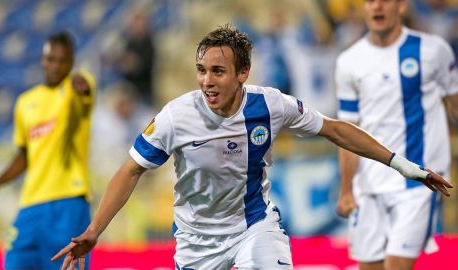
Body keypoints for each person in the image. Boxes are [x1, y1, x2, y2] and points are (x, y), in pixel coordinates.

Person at [52, 24, 451, 270]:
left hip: (253, 227)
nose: (207, 81)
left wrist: (402, 165)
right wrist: (94, 231)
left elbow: (335, 130)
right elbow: (131, 170)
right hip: (195, 242)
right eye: (202, 70)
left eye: (218, 71)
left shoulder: (270, 105)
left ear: (243, 73)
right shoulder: (176, 116)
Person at [334, 0, 458, 270]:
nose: (377, 6)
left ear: (401, 6)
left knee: (396, 265)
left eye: (385, 0)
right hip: (368, 185)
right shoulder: (349, 62)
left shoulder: (433, 51)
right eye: (370, 1)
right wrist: (346, 190)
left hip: (418, 183)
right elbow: (347, 133)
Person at [0, 31, 96, 270]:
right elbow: (24, 155)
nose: (55, 66)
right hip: (31, 203)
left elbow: (84, 94)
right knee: (13, 263)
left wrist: (80, 87)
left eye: (62, 60)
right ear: (42, 60)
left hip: (69, 200)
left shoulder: (76, 88)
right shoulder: (25, 102)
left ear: (71, 62)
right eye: (50, 59)